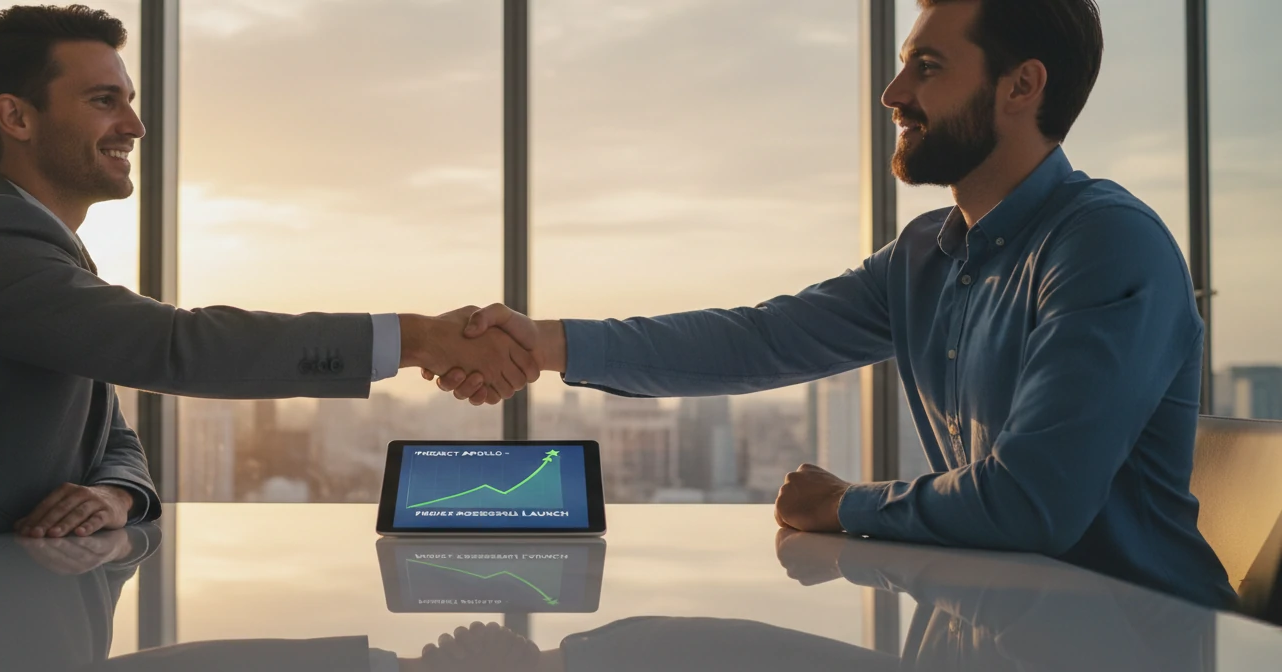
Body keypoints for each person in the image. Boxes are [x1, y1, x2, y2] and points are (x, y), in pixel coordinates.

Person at [430, 0, 1234, 609]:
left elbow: (1032, 504)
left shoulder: (1105, 245)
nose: (893, 93)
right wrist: (543, 343)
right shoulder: (924, 256)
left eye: (927, 68)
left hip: (1146, 635)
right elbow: (760, 340)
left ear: (1021, 86)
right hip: (1004, 623)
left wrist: (843, 505)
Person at [0, 4, 536, 565]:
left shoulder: (44, 255)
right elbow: (178, 346)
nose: (135, 126)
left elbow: (114, 437)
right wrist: (417, 338)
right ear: (16, 117)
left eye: (130, 101)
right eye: (104, 101)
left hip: (20, 601)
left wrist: (115, 495)